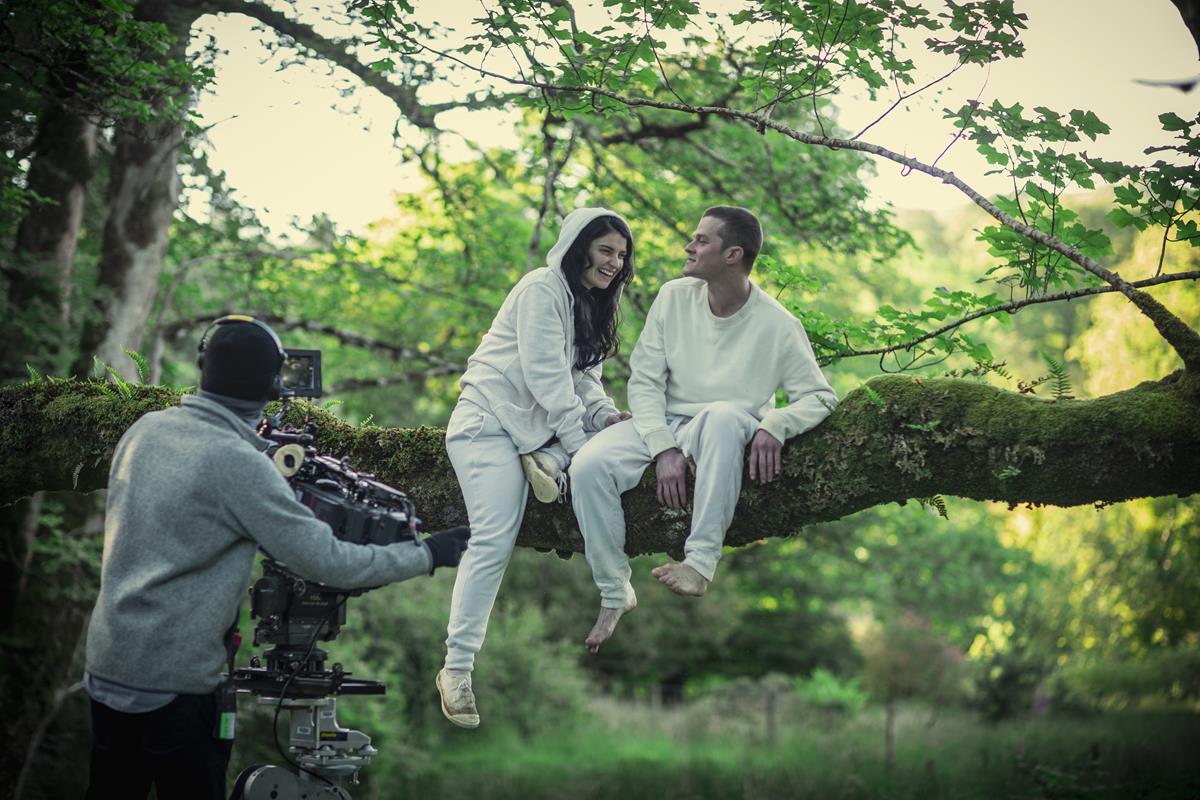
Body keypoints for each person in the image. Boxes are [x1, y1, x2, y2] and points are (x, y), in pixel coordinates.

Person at [83, 315, 470, 800]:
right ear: (273, 387)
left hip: (108, 663)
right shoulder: (238, 464)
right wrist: (430, 553)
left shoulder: (147, 429)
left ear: (204, 367)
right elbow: (330, 563)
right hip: (176, 685)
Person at [569, 206, 837, 652]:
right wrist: (663, 448)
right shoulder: (674, 296)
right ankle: (615, 590)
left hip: (721, 430)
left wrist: (777, 423)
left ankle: (700, 563)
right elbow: (647, 381)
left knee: (727, 415)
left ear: (733, 254)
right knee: (586, 466)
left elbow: (821, 396)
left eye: (701, 240)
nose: (689, 247)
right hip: (663, 422)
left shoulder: (778, 325)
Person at [437, 207, 634, 729]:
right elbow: (549, 378)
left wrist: (605, 417)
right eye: (605, 250)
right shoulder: (541, 289)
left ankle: (548, 461)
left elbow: (585, 382)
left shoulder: (590, 304)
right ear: (579, 246)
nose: (614, 262)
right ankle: (457, 667)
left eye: (621, 255)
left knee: (619, 441)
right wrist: (583, 442)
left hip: (542, 433)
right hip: (489, 423)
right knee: (493, 537)